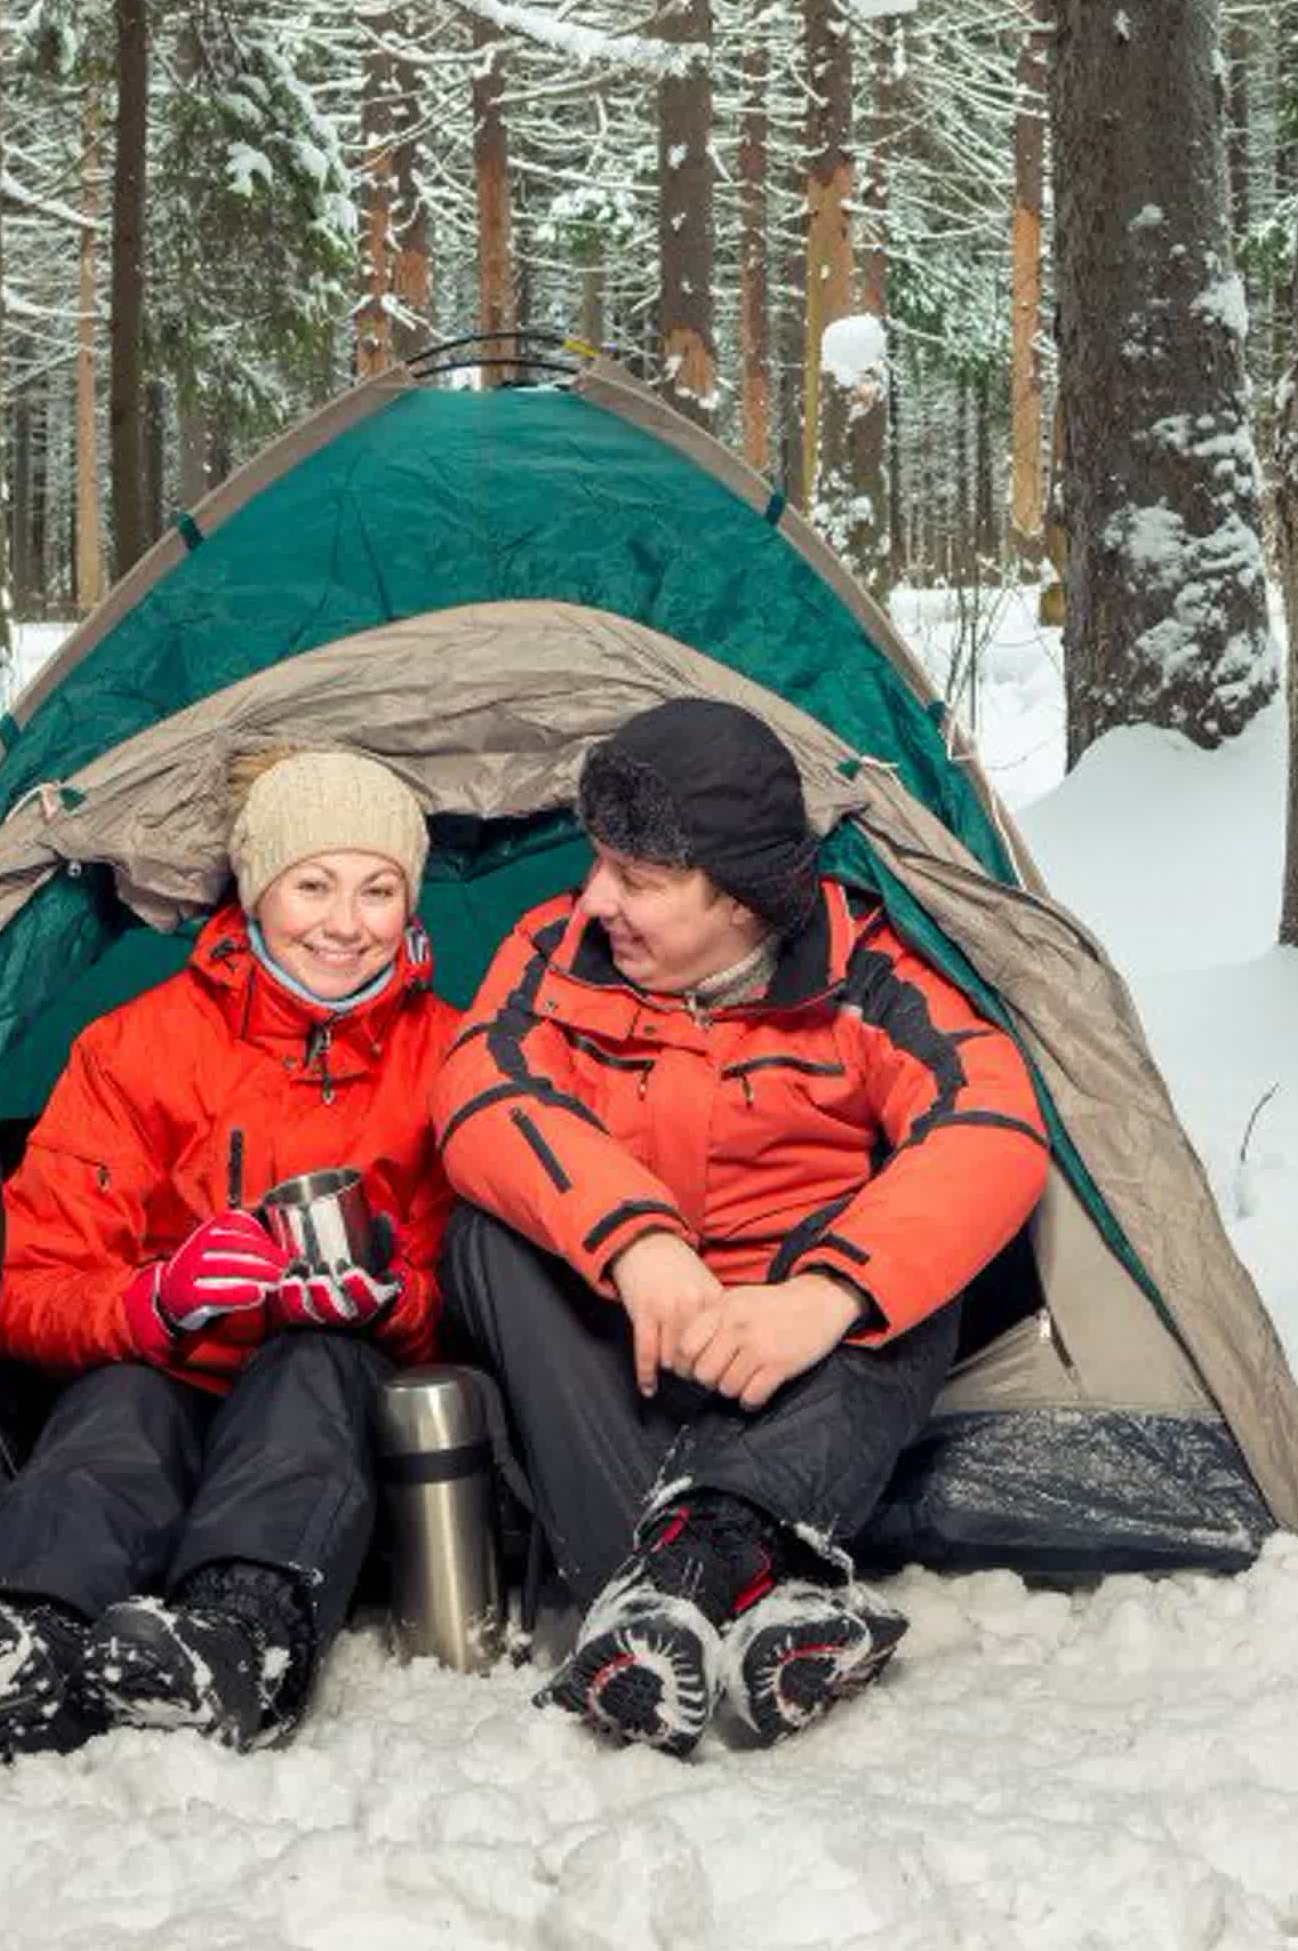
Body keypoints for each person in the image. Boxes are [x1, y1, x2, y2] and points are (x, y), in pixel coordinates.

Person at [434, 695, 1051, 1756]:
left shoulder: (870, 973)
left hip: (792, 1376)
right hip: (622, 1348)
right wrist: (636, 1241)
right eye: (598, 863)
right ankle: (750, 1582)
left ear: (742, 897)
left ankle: (670, 1587)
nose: (595, 899)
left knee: (912, 1262)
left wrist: (822, 1296)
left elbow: (989, 1120)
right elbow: (481, 1090)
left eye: (637, 879)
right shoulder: (555, 949)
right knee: (484, 1236)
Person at [0, 749, 457, 1766]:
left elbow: (471, 1296)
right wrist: (155, 1299)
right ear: (255, 889)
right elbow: (27, 1288)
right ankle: (26, 1632)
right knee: (120, 1402)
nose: (346, 922)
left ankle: (241, 1636)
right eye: (313, 883)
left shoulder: (452, 1056)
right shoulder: (135, 1049)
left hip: (335, 1420)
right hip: (171, 1374)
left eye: (379, 889)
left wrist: (390, 1295)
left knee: (311, 1367)